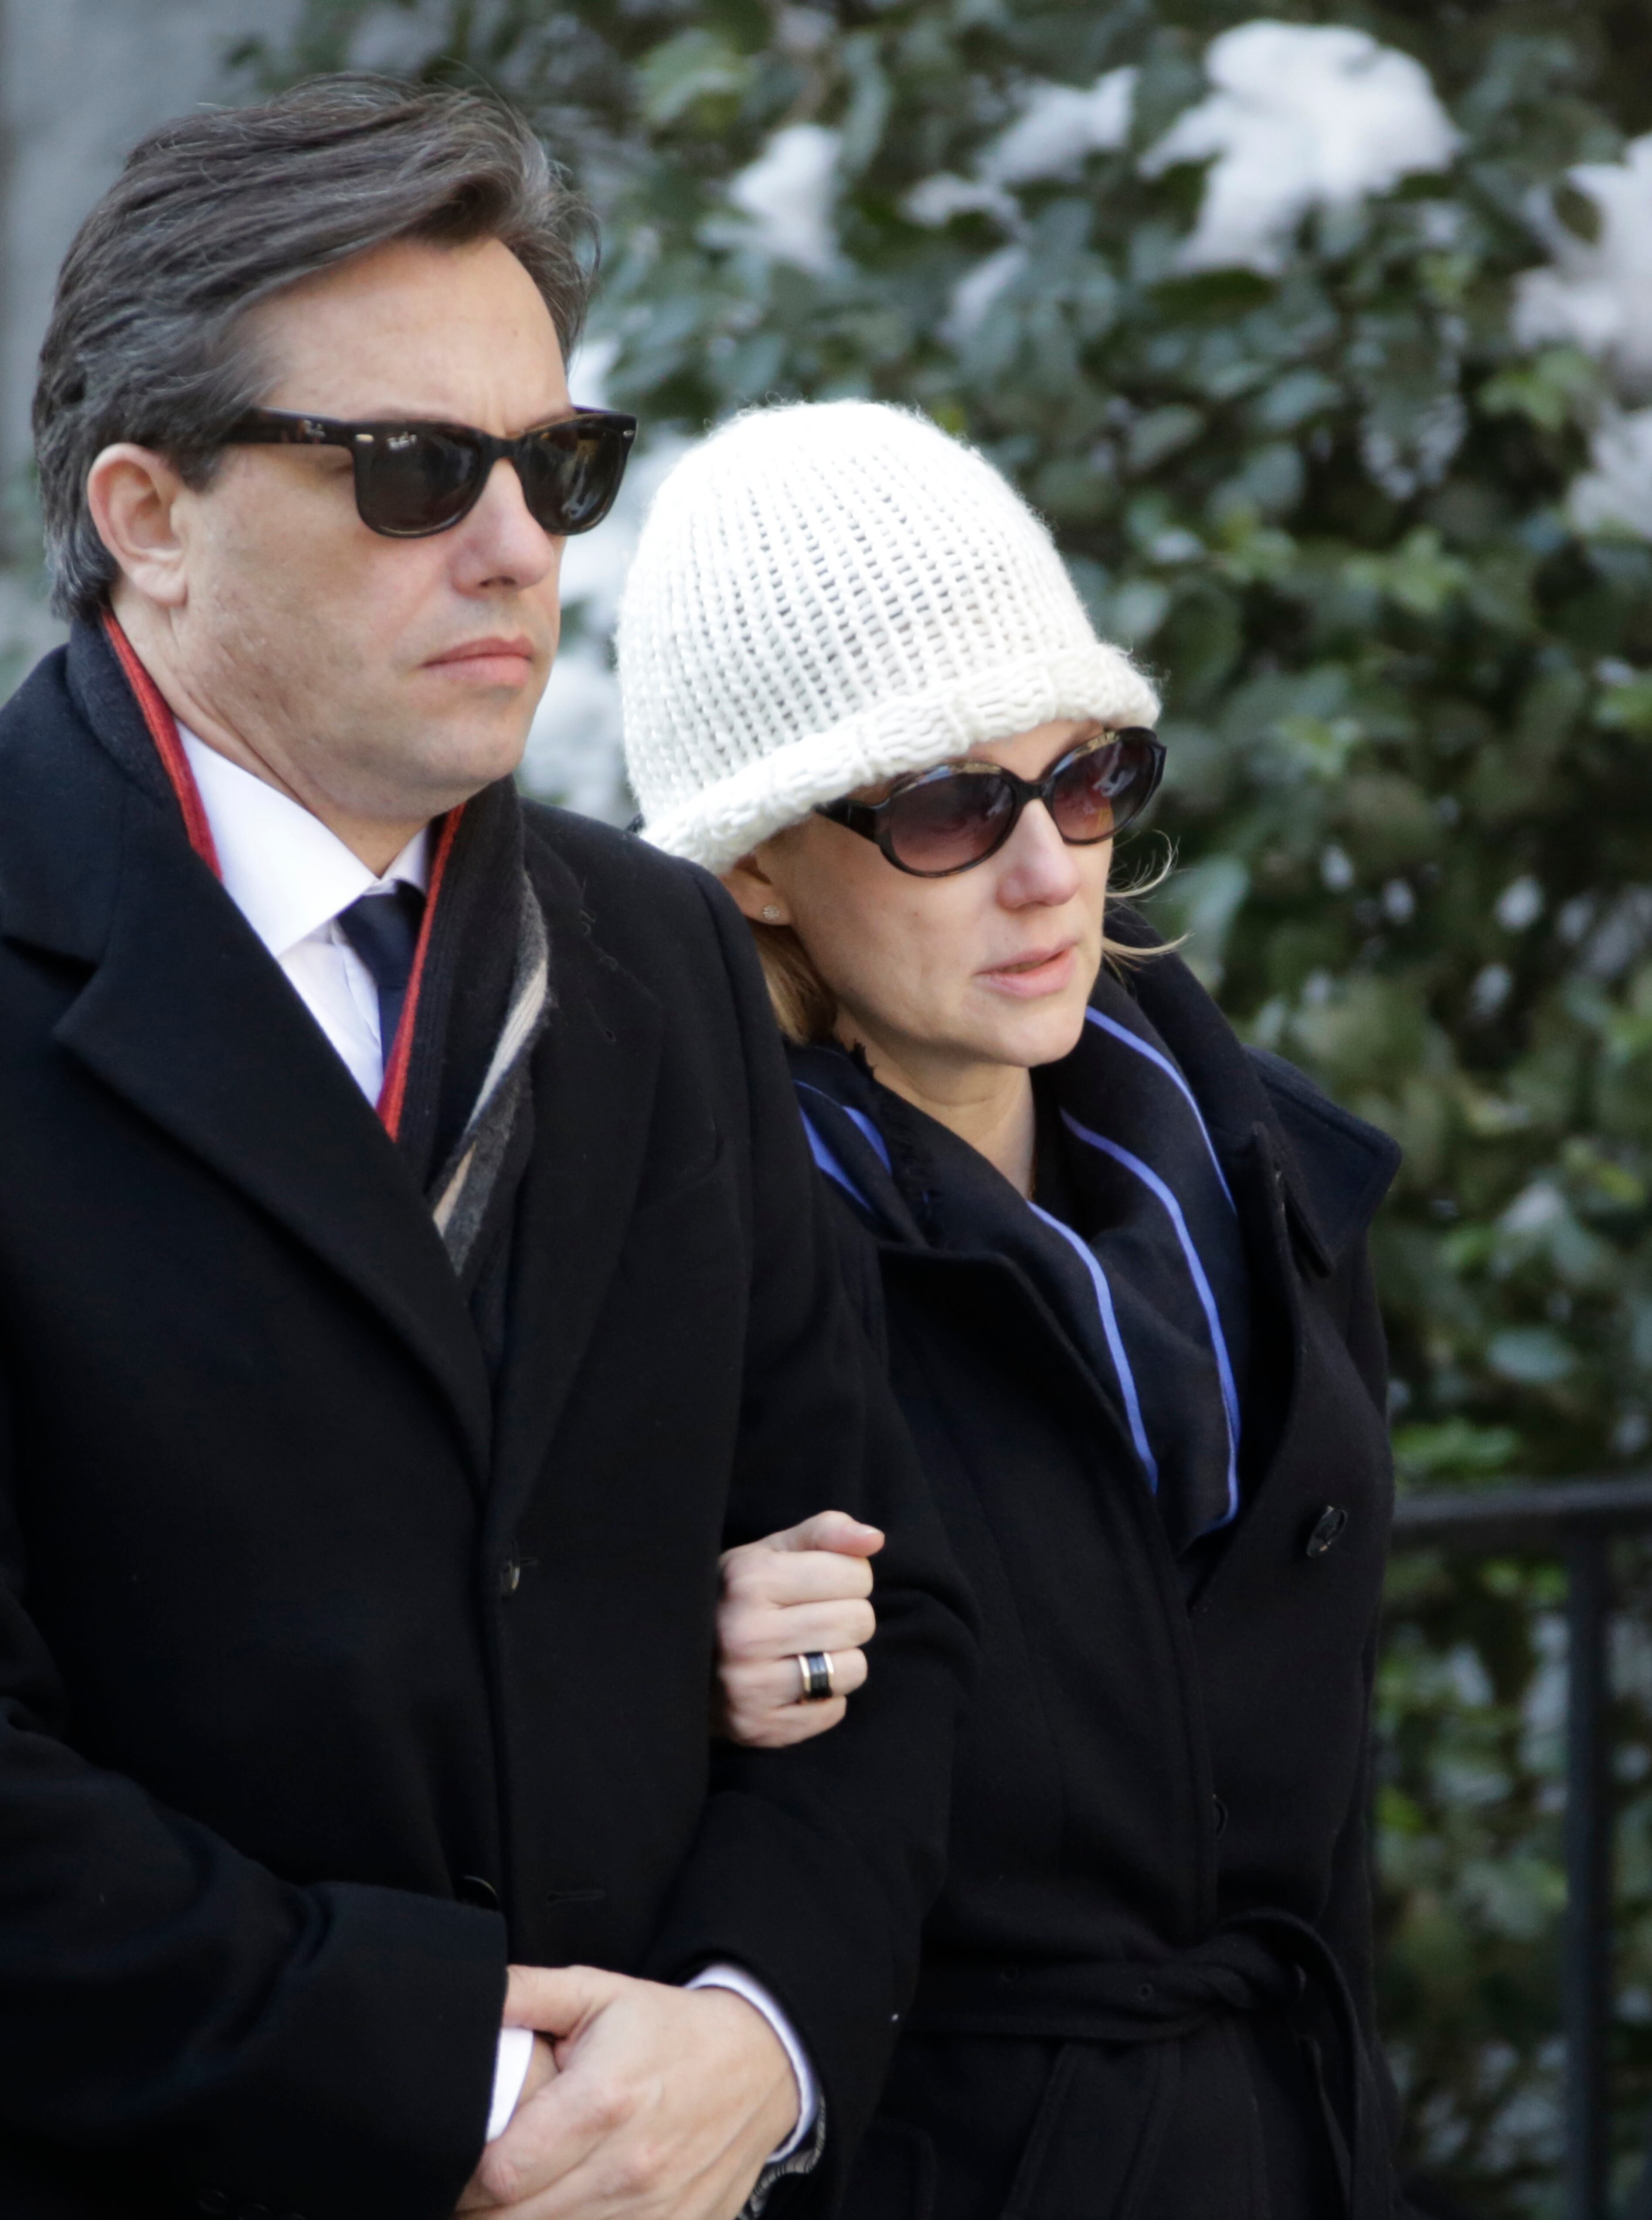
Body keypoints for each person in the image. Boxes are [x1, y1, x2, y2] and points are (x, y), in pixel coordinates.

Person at [0, 88, 974, 2220]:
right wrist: (455, 2075)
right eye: (415, 471)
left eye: (558, 465)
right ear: (148, 513)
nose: (522, 546)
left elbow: (886, 1596)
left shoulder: (657, 951)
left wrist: (754, 2033)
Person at [619, 401, 1406, 2220]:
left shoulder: (1265, 1175)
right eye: (948, 805)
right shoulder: (688, 1247)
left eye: (1084, 776)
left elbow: (1325, 1841)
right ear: (756, 863)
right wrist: (673, 1657)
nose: (1049, 866)